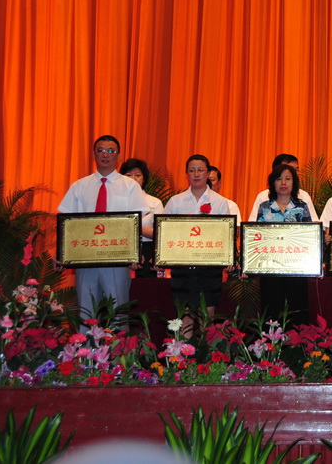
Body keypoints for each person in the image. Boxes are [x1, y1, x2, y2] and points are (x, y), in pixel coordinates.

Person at [57, 136, 150, 330]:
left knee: (118, 315)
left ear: (118, 156)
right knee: (86, 315)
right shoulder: (80, 186)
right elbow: (67, 224)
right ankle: (86, 350)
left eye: (111, 151)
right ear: (94, 154)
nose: (105, 155)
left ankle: (120, 349)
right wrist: (61, 253)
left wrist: (135, 253)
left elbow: (135, 223)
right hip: (85, 259)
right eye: (101, 150)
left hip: (118, 259)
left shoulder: (130, 186)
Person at [163, 154, 233, 336]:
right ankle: (184, 351)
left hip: (209, 268)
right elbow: (165, 232)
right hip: (182, 267)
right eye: (192, 170)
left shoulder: (219, 202)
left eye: (200, 170)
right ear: (186, 173)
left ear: (208, 173)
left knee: (207, 315)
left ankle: (206, 351)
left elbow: (225, 234)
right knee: (185, 315)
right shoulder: (175, 201)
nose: (196, 174)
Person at [255, 163, 313, 324]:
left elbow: (309, 236)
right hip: (270, 266)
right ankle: (270, 339)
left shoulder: (301, 207)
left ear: (294, 182)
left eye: (288, 179)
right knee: (271, 308)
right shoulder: (265, 207)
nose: (283, 183)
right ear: (273, 183)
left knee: (297, 308)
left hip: (296, 266)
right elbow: (257, 236)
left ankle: (297, 339)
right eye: (279, 179)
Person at [120, 158, 164, 278]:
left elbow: (159, 233)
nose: (133, 179)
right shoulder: (116, 201)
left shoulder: (155, 202)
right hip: (121, 248)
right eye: (129, 175)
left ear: (144, 178)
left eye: (138, 175)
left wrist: (134, 226)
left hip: (147, 250)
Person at [247, 154, 318, 222]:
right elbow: (253, 226)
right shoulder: (263, 201)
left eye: (296, 170)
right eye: (279, 178)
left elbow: (313, 226)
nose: (283, 182)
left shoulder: (303, 201)